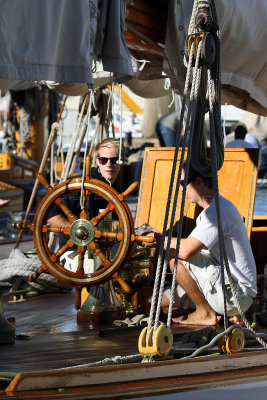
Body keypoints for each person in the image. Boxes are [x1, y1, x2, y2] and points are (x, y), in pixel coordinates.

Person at [143, 163, 257, 326]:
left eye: (183, 184)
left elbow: (186, 251)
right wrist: (160, 237)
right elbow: (196, 247)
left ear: (199, 182)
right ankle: (214, 312)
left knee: (174, 255)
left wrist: (157, 239)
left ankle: (205, 313)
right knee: (160, 304)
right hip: (228, 290)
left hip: (234, 296)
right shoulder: (215, 209)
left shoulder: (216, 213)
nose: (181, 190)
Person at [47, 138, 124, 234]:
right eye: (103, 160)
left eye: (114, 160)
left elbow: (118, 225)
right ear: (97, 161)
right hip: (76, 247)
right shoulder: (82, 184)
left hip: (105, 246)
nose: (109, 164)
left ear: (122, 161)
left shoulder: (117, 189)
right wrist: (76, 232)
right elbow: (49, 213)